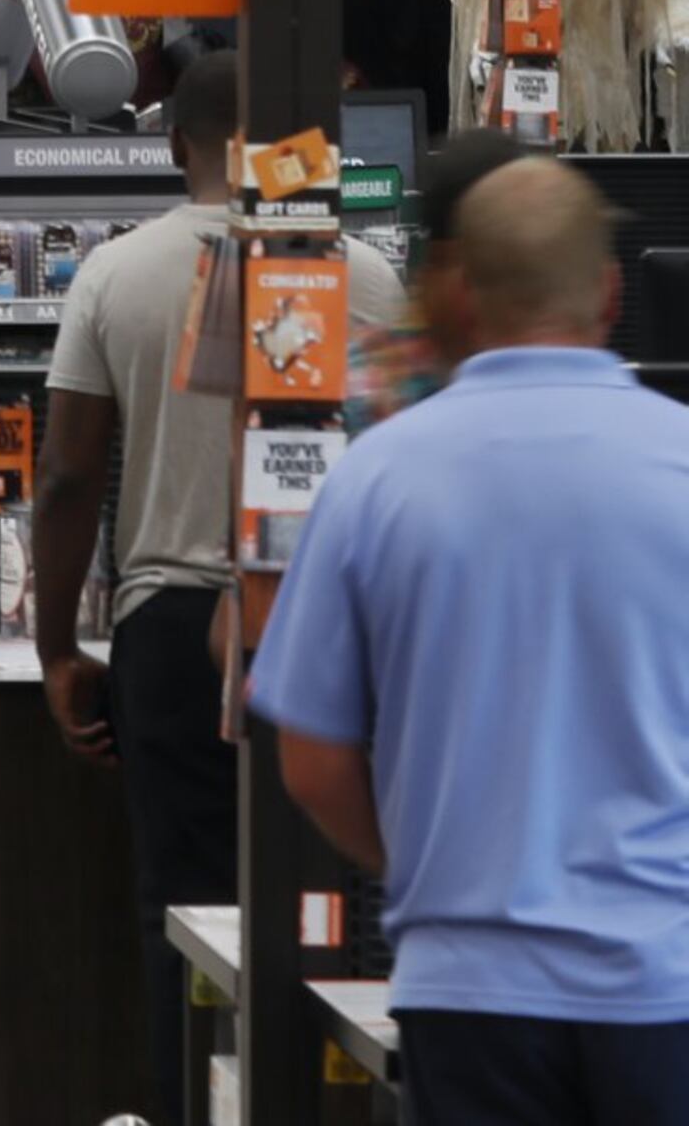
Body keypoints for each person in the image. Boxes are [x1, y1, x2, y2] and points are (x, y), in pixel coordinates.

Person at [249, 152, 689, 1124]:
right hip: (664, 982)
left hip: (466, 984)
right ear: (609, 291)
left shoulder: (375, 478)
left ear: (462, 295)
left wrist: (428, 866)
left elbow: (312, 760)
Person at [31, 51, 403, 1125]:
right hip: (333, 623)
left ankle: (191, 1103)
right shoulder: (366, 276)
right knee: (337, 907)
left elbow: (67, 476)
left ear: (172, 145)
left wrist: (58, 649)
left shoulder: (116, 274)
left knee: (185, 912)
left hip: (172, 625)